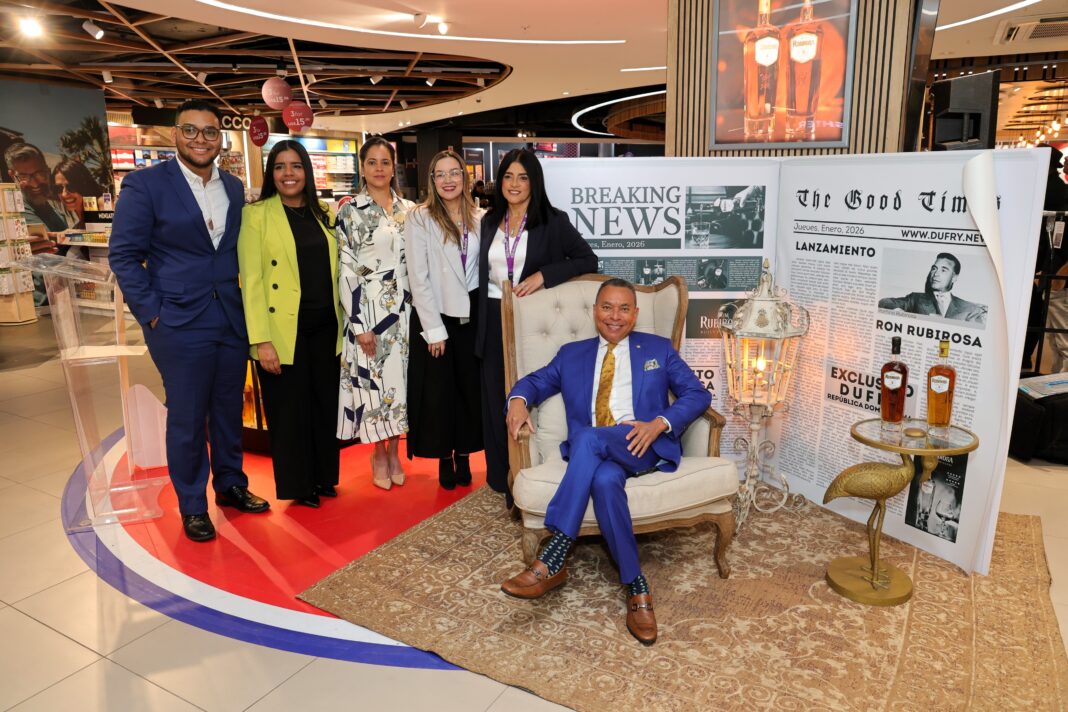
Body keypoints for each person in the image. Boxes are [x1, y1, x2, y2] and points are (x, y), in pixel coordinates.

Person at [500, 278, 711, 646]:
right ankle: (637, 587)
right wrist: (517, 400)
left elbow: (697, 394)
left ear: (635, 314)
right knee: (604, 480)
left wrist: (659, 423)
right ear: (595, 311)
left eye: (624, 308)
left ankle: (556, 550)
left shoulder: (658, 349)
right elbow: (534, 382)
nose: (615, 316)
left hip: (641, 445)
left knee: (587, 437)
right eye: (608, 307)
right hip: (597, 455)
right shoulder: (572, 354)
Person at [109, 99, 269, 542]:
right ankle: (193, 503)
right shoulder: (145, 184)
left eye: (210, 131)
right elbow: (124, 256)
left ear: (221, 138)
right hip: (177, 321)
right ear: (175, 134)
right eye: (191, 130)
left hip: (229, 316)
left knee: (228, 408)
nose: (201, 139)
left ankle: (231, 484)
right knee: (187, 416)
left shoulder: (233, 187)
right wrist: (152, 314)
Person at [476, 148, 598, 509]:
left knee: (530, 398)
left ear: (534, 182)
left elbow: (588, 259)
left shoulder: (553, 221)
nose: (514, 184)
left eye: (523, 177)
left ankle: (535, 475)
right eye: (508, 177)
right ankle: (504, 479)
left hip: (531, 321)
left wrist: (545, 275)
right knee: (494, 398)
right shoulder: (488, 221)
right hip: (492, 316)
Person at [238, 140, 341, 509]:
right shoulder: (256, 215)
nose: (288, 174)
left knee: (324, 405)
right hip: (283, 331)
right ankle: (300, 484)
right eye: (280, 167)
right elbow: (251, 282)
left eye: (295, 166)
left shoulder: (324, 212)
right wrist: (261, 340)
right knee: (290, 412)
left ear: (307, 172)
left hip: (327, 326)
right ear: (272, 174)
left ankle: (324, 476)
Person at [337, 136, 414, 489]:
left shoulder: (409, 210)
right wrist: (359, 324)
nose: (379, 169)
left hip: (405, 311)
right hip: (368, 311)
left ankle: (395, 450)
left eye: (385, 162)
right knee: (373, 383)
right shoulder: (350, 210)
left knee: (400, 385)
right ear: (362, 168)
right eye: (372, 162)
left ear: (393, 168)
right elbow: (346, 269)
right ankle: (378, 452)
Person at [405, 150, 483, 489]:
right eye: (440, 174)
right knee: (439, 394)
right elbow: (417, 277)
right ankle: (444, 456)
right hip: (438, 315)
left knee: (468, 389)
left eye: (454, 173)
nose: (448, 180)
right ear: (432, 180)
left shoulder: (480, 217)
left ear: (465, 177)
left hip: (473, 314)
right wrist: (433, 329)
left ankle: (464, 452)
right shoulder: (419, 218)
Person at [878, 252, 987, 325]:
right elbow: (885, 302)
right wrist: (900, 313)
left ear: (954, 277)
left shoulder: (970, 308)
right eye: (934, 269)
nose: (935, 274)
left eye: (943, 270)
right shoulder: (916, 298)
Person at [4, 142, 67, 232]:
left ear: (48, 171)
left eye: (40, 174)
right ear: (12, 176)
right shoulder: (13, 214)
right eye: (24, 176)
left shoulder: (58, 213)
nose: (35, 184)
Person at [53, 158, 103, 230]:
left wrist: (71, 235)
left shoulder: (102, 202)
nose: (64, 194)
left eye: (71, 186)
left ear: (84, 185)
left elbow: (109, 234)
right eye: (58, 188)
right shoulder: (77, 227)